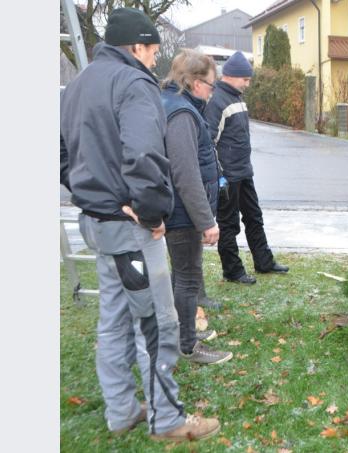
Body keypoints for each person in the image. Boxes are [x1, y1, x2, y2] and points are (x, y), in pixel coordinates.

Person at [60, 8, 220, 442]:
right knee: (157, 324)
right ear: (136, 46)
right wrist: (150, 213)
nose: (154, 60)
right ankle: (167, 419)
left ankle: (122, 411)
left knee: (112, 319)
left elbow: (62, 153)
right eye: (152, 51)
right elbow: (146, 156)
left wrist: (92, 196)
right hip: (131, 229)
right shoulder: (134, 83)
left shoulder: (77, 85)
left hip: (96, 222)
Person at [160, 49, 232, 365]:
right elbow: (185, 172)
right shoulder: (182, 114)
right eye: (210, 84)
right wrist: (206, 221)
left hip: (178, 210)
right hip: (182, 213)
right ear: (191, 81)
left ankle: (183, 331)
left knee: (182, 275)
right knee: (187, 278)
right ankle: (188, 345)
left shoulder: (174, 104)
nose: (212, 91)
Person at [204, 51, 288, 285]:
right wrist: (219, 175)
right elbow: (209, 142)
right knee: (228, 224)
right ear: (231, 76)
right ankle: (232, 270)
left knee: (254, 216)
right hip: (227, 177)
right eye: (245, 79)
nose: (248, 84)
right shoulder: (217, 101)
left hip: (244, 171)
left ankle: (264, 261)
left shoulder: (238, 97)